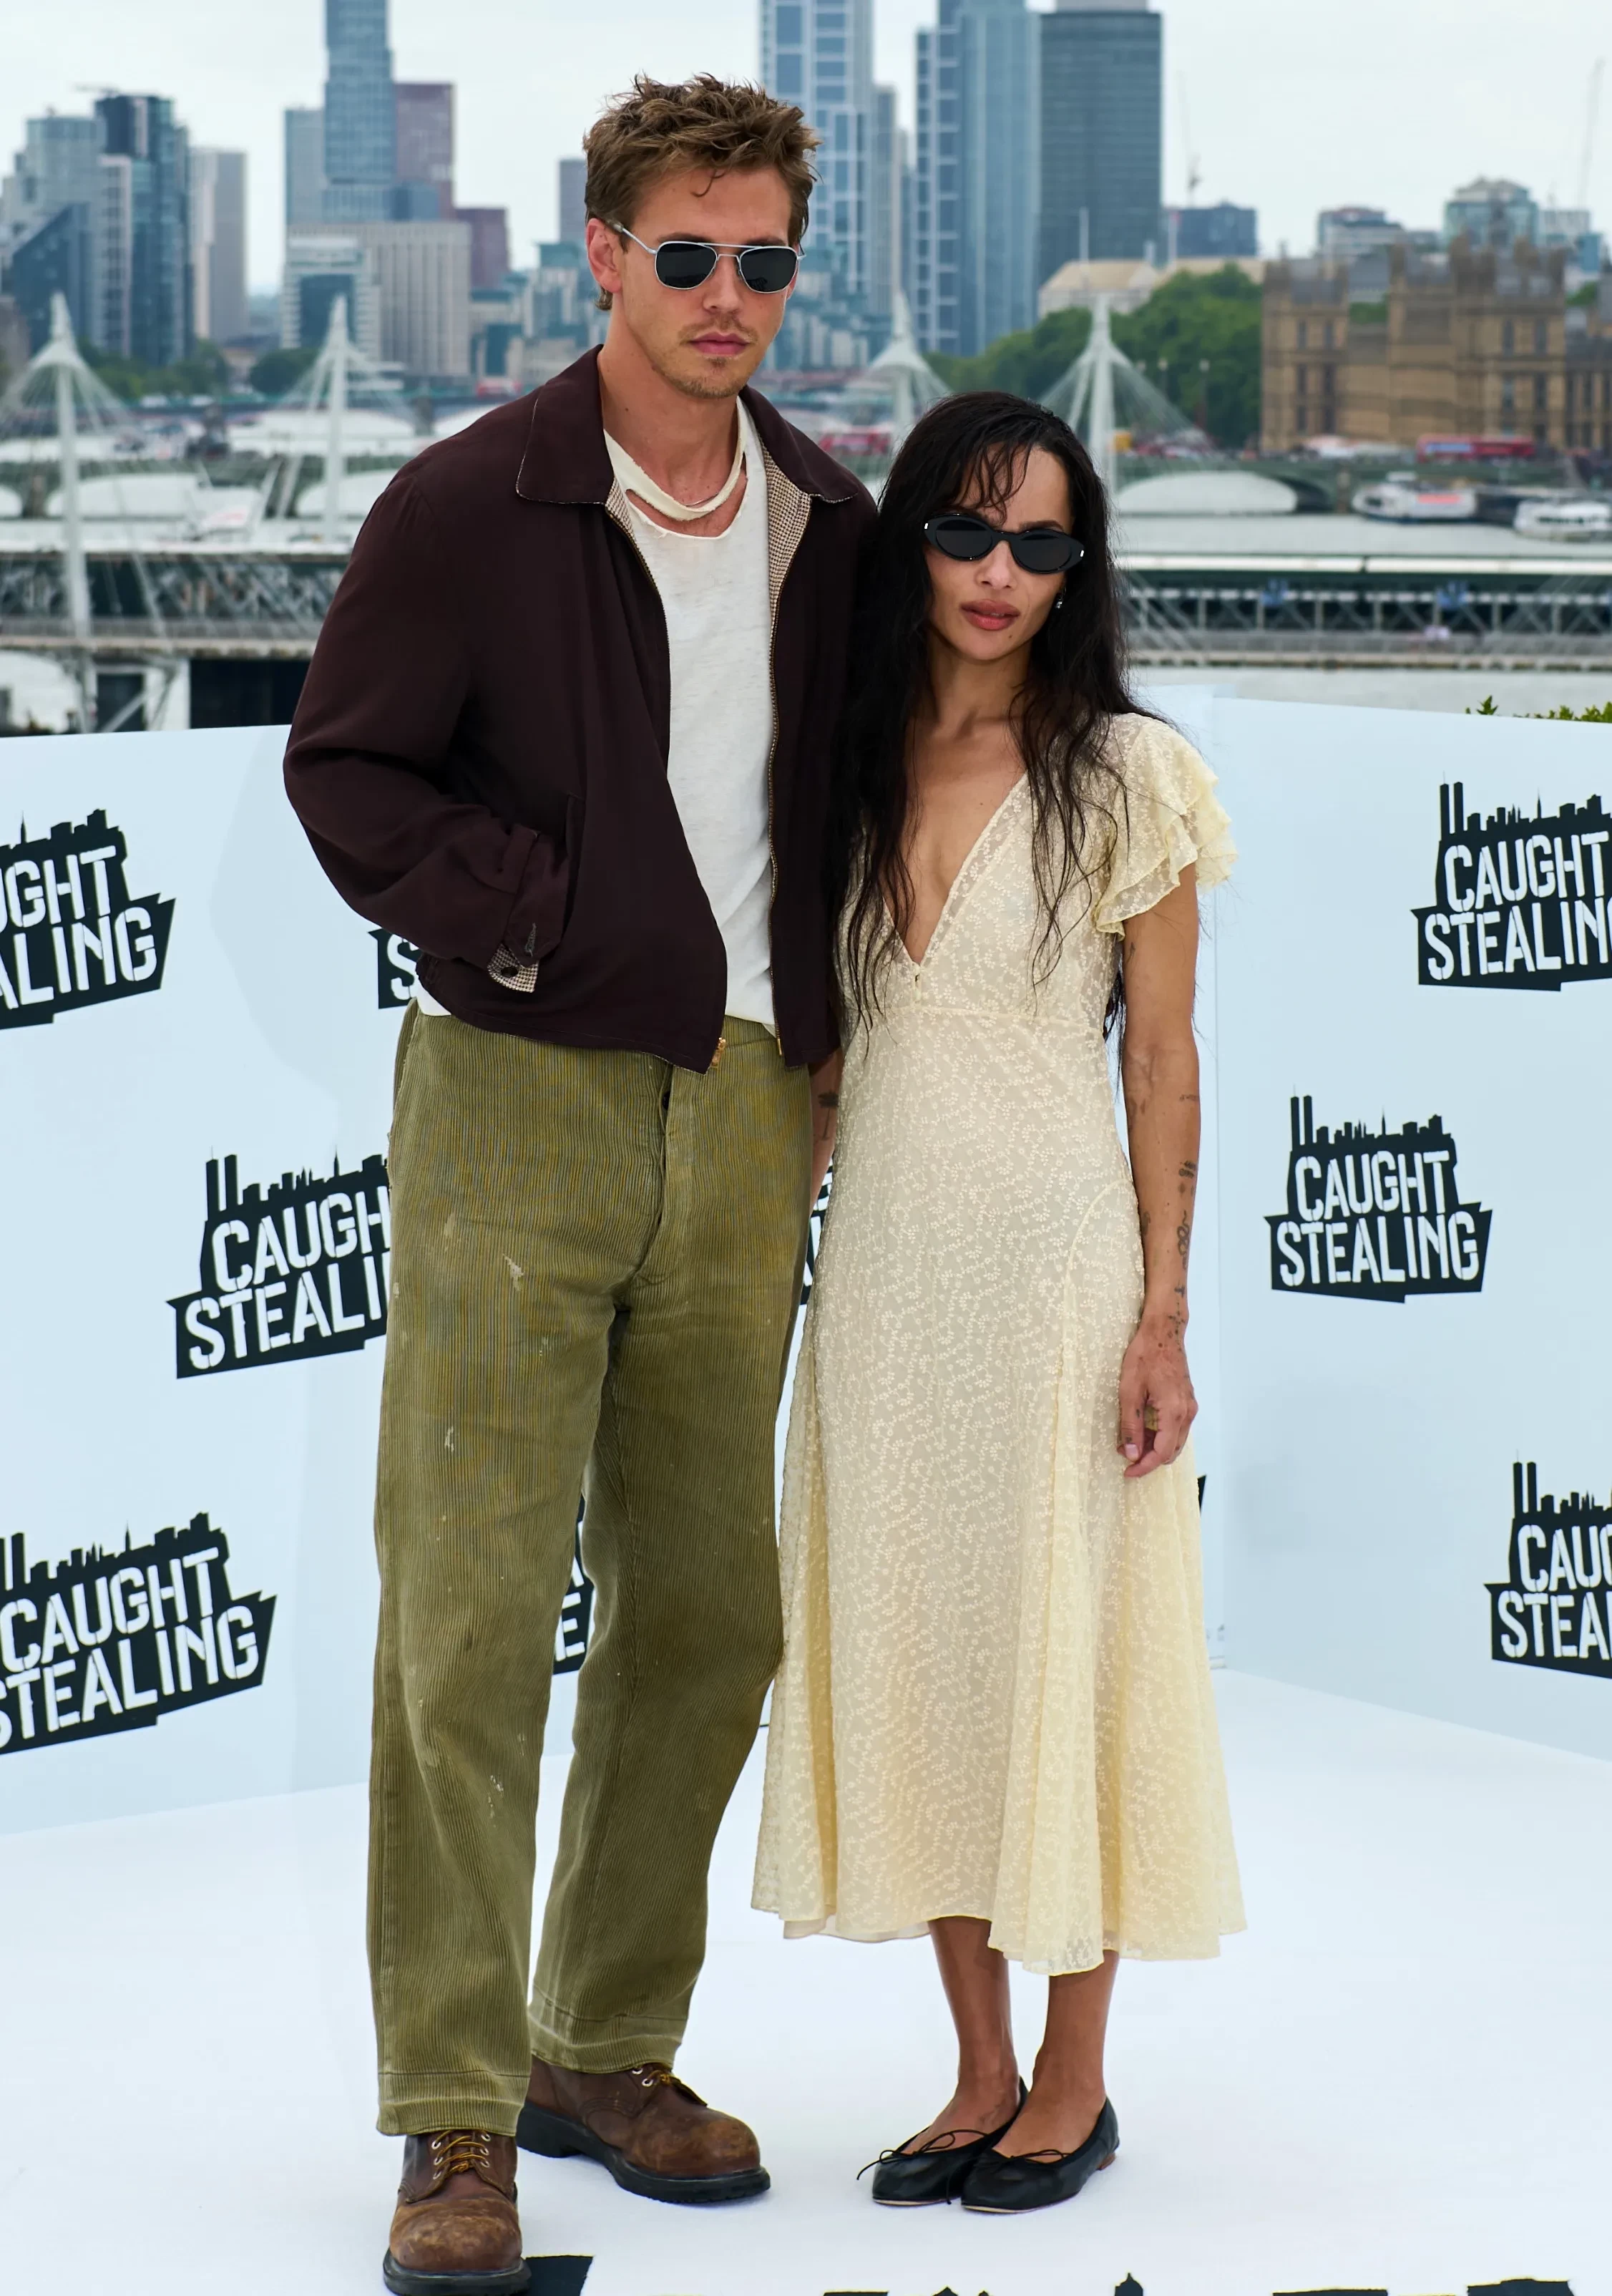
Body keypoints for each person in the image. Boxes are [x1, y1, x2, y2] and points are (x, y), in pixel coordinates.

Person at [284, 75, 871, 2295]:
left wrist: (824, 1031)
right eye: (687, 255)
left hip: (743, 1110)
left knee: (708, 1612)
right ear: (604, 254)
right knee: (464, 1621)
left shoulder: (827, 520)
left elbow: (843, 802)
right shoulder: (471, 505)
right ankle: (450, 2113)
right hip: (514, 1101)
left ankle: (596, 2045)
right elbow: (347, 770)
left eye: (763, 260)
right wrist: (523, 920)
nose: (728, 296)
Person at [753, 393, 1246, 2216]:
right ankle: (975, 2066)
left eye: (1041, 543)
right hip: (885, 1280)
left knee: (1067, 1644)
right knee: (924, 1650)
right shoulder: (843, 763)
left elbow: (1163, 1065)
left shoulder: (1129, 771)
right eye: (967, 531)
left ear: (1074, 569)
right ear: (912, 540)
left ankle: (1076, 2076)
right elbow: (822, 1070)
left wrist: (1163, 1311)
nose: (999, 573)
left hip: (1055, 1275)